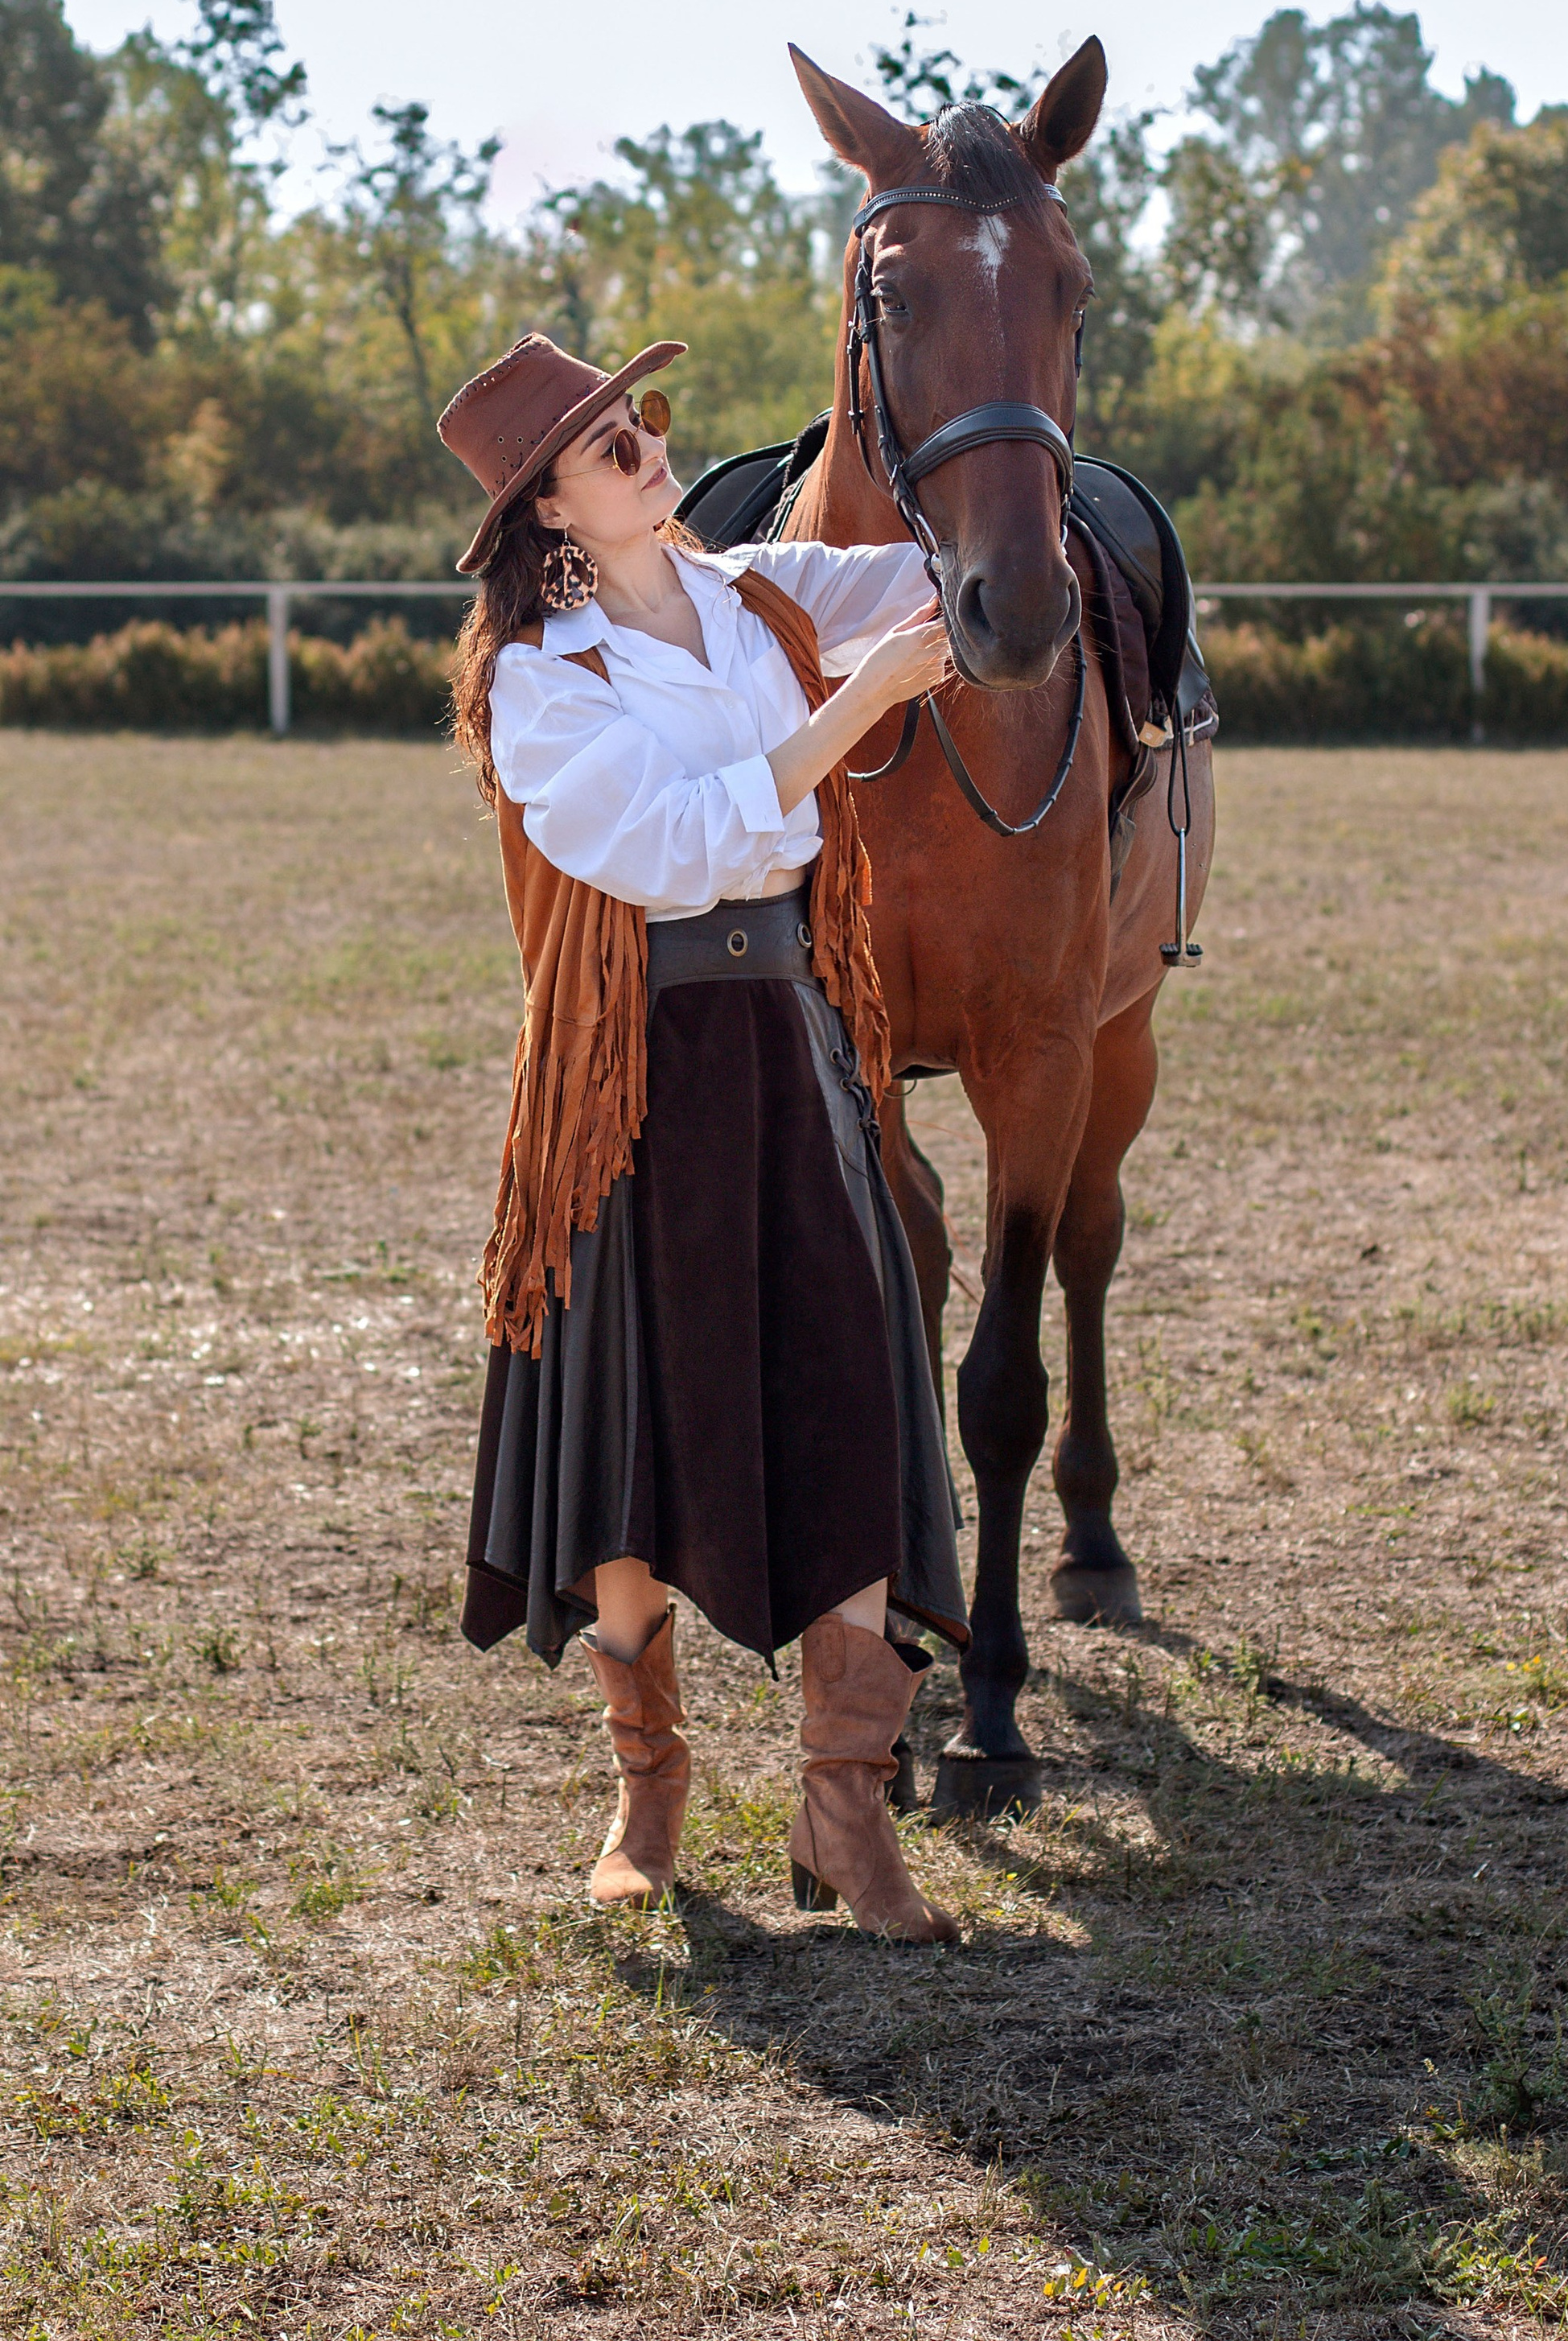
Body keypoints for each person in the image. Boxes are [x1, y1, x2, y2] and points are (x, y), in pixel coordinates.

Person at [438, 330, 967, 1945]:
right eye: (608, 446)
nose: (648, 449)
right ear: (544, 519)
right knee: (633, 1430)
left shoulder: (756, 595)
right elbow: (670, 851)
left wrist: (1012, 468)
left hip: (795, 1041)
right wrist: (857, 707)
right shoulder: (541, 686)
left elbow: (932, 557)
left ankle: (846, 1812)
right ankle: (648, 1783)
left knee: (850, 1386)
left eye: (643, 421)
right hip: (631, 1076)